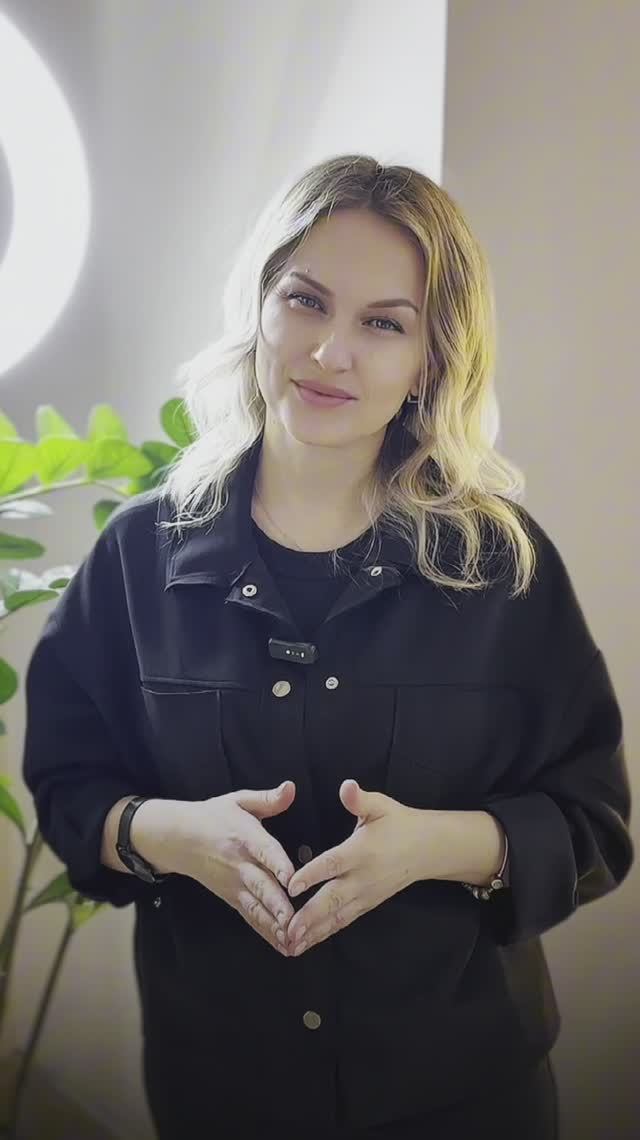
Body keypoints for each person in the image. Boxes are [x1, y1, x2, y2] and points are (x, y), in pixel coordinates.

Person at [22, 154, 633, 1140]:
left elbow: (594, 826)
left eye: (383, 324)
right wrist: (167, 834)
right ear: (259, 306)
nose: (329, 351)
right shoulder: (138, 554)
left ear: (431, 359)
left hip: (465, 1097)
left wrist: (436, 848)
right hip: (221, 1095)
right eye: (305, 301)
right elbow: (67, 789)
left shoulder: (499, 566)